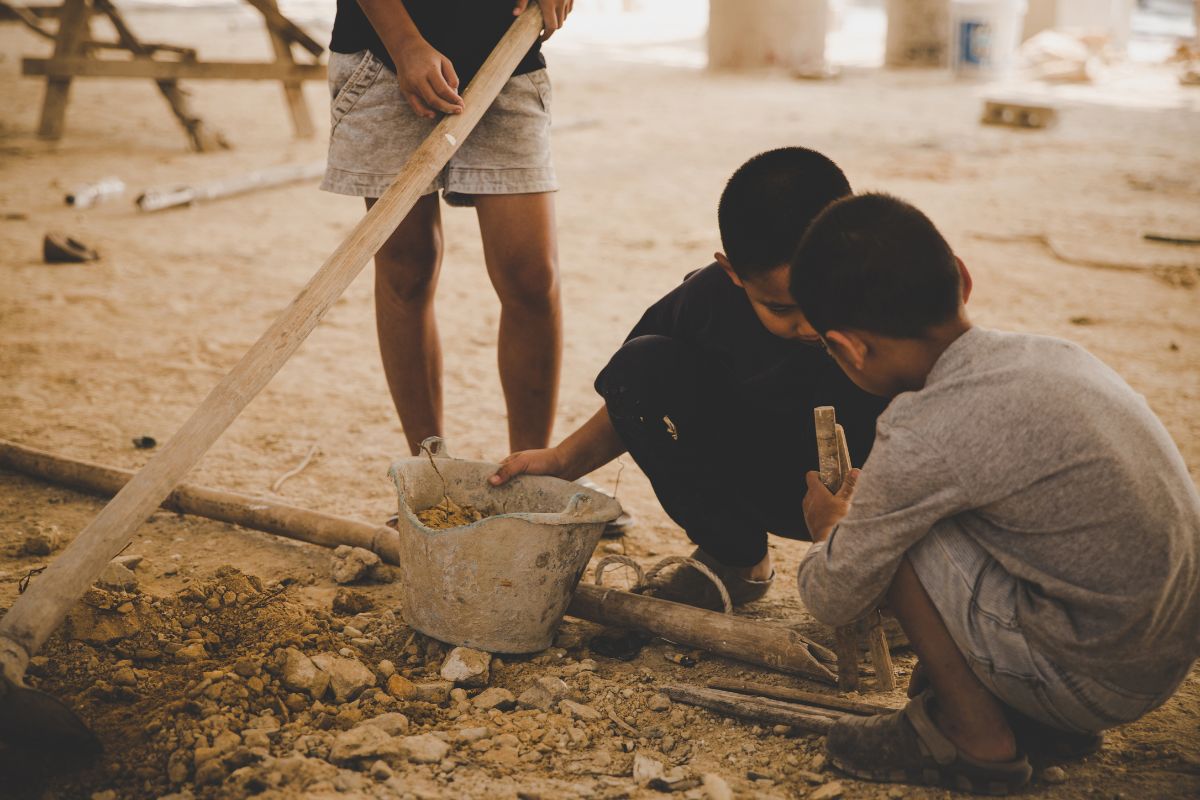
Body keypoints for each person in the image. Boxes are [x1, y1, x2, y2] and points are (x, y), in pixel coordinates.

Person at [791, 193, 1200, 794]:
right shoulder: (1052, 354)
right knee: (917, 513)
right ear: (961, 275)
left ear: (849, 347)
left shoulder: (923, 431)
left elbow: (832, 594)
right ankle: (1031, 719)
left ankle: (973, 736)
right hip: (1157, 657)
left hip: (1093, 678)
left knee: (896, 536)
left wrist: (833, 528)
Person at [491, 148, 888, 609]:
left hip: (876, 499)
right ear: (733, 272)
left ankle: (894, 582)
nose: (808, 326)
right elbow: (636, 390)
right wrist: (562, 462)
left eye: (820, 299)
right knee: (639, 364)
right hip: (773, 485)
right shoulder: (707, 300)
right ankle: (736, 561)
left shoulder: (890, 301)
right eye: (781, 308)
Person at [322, 0, 572, 454]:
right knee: (407, 270)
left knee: (532, 276)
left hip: (507, 50)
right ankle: (430, 472)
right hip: (383, 53)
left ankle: (532, 472)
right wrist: (404, 43)